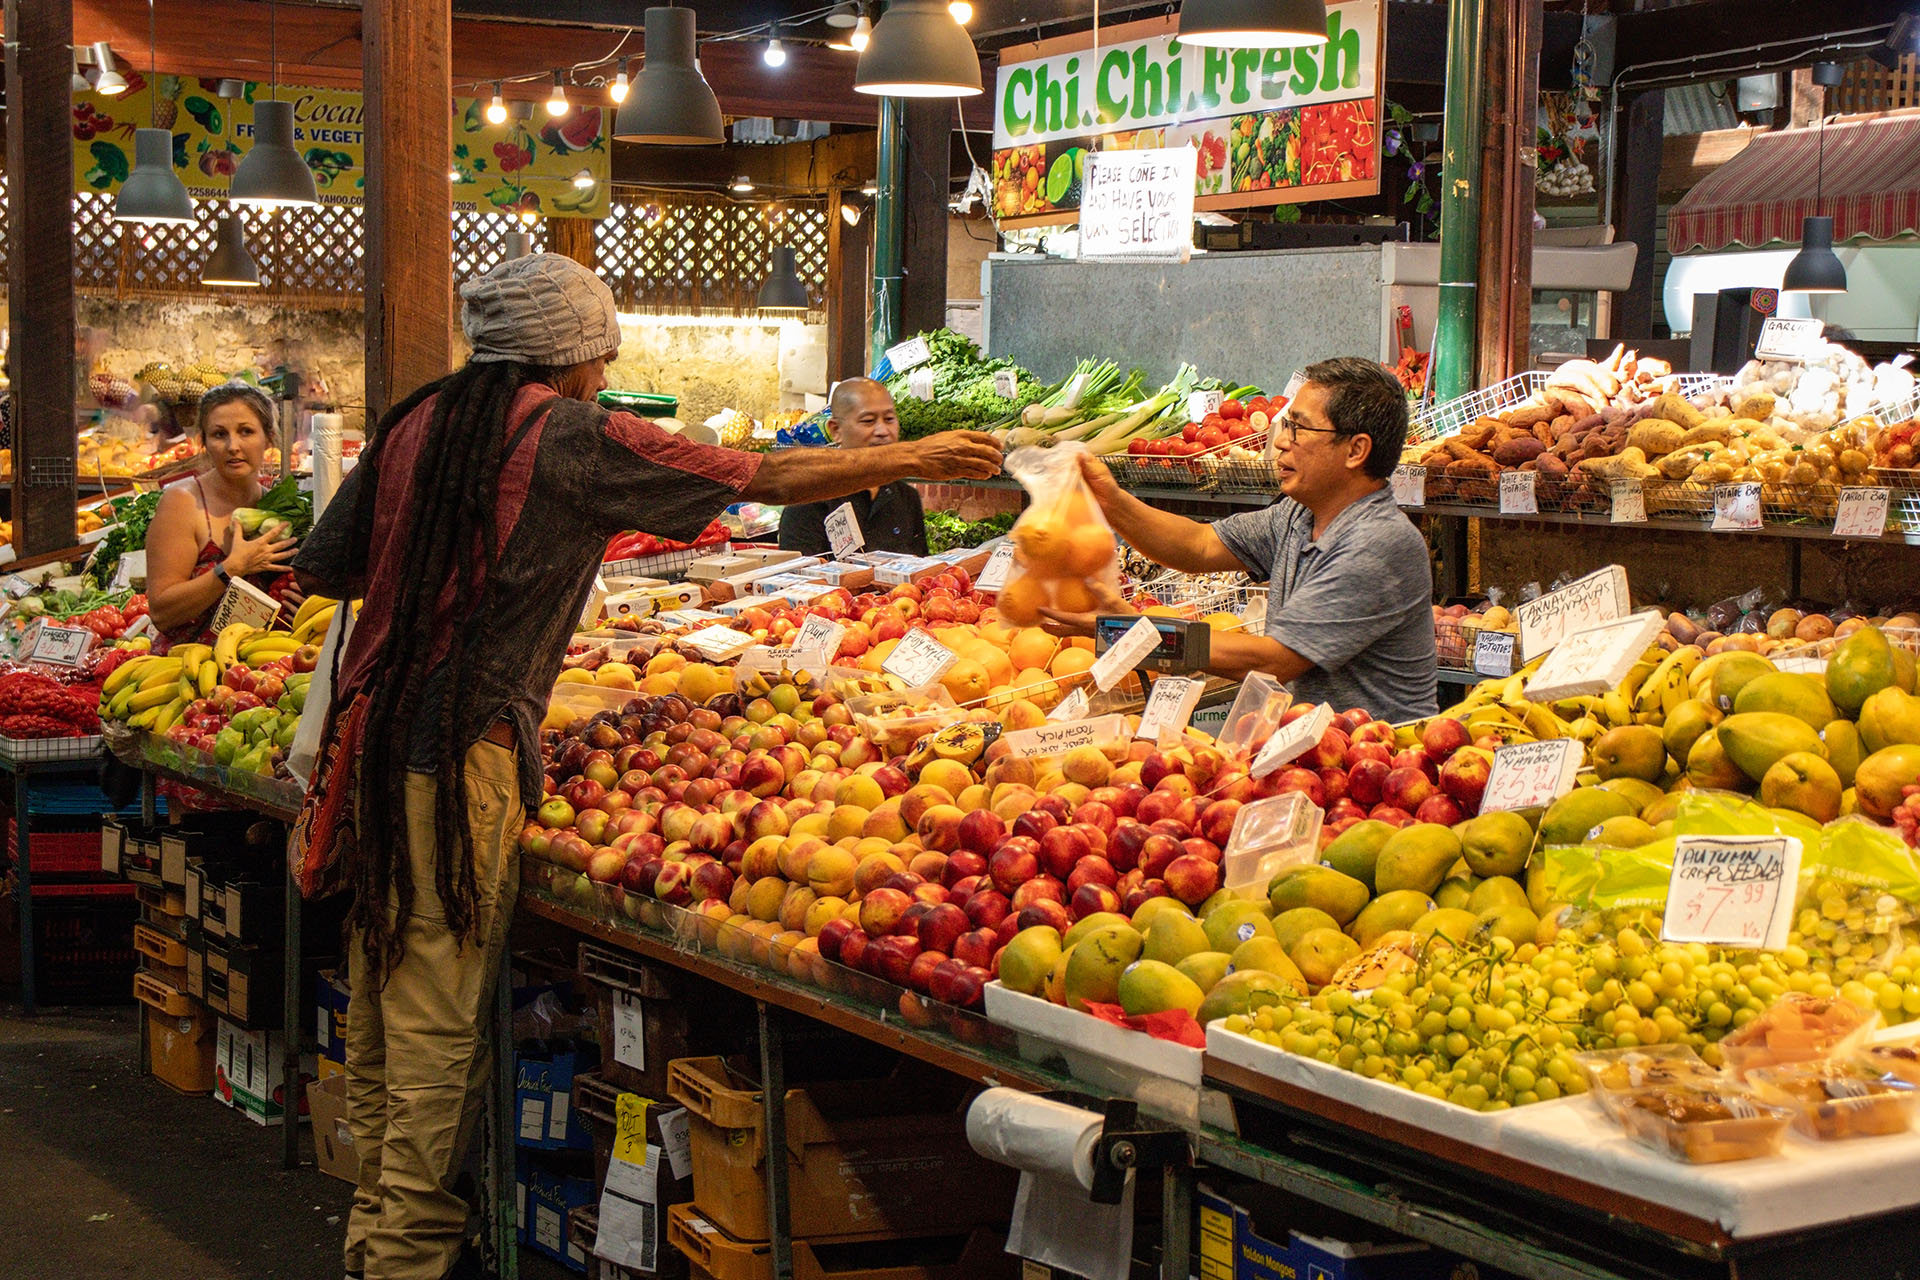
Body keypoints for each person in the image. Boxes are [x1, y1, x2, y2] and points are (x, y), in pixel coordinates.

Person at [291, 253, 1000, 1280]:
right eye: (603, 351)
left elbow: (324, 565)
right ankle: (406, 1259)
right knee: (440, 1022)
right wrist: (911, 452)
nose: (604, 367)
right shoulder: (566, 432)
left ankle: (371, 1238)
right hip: (459, 756)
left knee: (385, 1000)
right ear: (576, 355)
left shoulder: (417, 418)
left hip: (374, 739)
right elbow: (761, 476)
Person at [1042, 357, 1437, 723]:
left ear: (1356, 450)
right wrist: (1109, 500)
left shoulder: (1377, 541)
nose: (1281, 441)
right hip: (1308, 748)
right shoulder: (1298, 514)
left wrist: (1135, 635)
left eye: (1298, 428)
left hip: (1377, 766)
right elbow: (1198, 546)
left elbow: (1275, 661)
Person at [144, 383, 300, 652]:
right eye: (219, 434)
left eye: (246, 431)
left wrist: (301, 604)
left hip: (263, 671)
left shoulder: (281, 508)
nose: (233, 446)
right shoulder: (183, 503)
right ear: (203, 442)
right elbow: (161, 612)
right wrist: (231, 569)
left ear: (269, 438)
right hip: (185, 673)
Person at [777, 377, 928, 556]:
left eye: (889, 419)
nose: (882, 431)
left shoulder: (906, 497)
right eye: (868, 421)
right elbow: (798, 578)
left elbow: (919, 571)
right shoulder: (808, 500)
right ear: (836, 430)